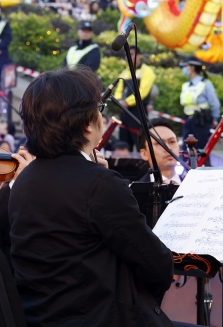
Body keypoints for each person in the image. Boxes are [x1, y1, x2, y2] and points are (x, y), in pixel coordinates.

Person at [10, 66, 181, 327]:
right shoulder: (100, 184)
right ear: (87, 124)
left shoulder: (23, 181)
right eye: (99, 109)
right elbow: (158, 266)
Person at [113, 45, 156, 151]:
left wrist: (127, 102)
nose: (128, 57)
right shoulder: (125, 72)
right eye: (126, 55)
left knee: (139, 143)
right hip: (124, 111)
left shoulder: (147, 71)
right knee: (124, 143)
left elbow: (142, 92)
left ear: (139, 55)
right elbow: (118, 90)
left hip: (138, 112)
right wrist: (119, 101)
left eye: (131, 54)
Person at [178, 56, 220, 149]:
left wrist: (213, 119)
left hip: (201, 121)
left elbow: (215, 104)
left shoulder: (205, 84)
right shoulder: (186, 85)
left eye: (186, 66)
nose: (184, 68)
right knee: (186, 150)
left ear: (192, 68)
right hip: (188, 120)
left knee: (199, 150)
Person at [136, 118, 182, 184]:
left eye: (172, 142)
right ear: (144, 154)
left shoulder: (193, 183)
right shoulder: (134, 190)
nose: (168, 148)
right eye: (159, 143)